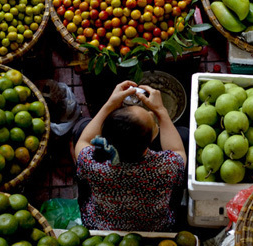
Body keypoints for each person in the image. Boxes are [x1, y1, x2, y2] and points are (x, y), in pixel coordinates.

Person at [74, 80, 187, 232]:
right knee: (184, 135)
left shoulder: (92, 164)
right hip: (155, 227)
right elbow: (178, 151)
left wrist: (109, 104)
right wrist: (161, 111)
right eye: (152, 121)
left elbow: (84, 140)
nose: (150, 112)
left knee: (81, 128)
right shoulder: (166, 167)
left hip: (101, 224)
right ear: (151, 140)